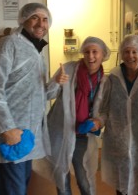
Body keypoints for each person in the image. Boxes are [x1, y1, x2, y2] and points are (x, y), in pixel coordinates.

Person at [0, 3, 56, 195]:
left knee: (19, 186)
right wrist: (7, 128)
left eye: (45, 19)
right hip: (11, 133)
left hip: (27, 136)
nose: (41, 23)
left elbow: (41, 96)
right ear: (23, 20)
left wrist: (57, 83)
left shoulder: (36, 51)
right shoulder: (8, 44)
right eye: (35, 17)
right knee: (12, 189)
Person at [45, 36, 111, 195]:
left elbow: (106, 110)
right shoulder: (68, 69)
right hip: (60, 130)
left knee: (84, 176)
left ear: (103, 55)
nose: (91, 56)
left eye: (95, 52)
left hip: (84, 133)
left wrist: (98, 122)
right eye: (87, 52)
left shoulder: (107, 81)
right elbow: (47, 94)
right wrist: (56, 82)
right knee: (62, 175)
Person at [97, 35, 138, 195]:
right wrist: (97, 122)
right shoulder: (112, 78)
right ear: (121, 54)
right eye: (126, 51)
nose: (130, 56)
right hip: (117, 139)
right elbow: (104, 108)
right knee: (121, 181)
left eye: (134, 52)